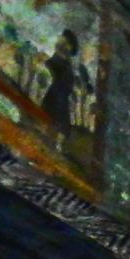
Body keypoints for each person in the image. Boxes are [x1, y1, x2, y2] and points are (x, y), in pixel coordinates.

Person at [41, 28, 95, 164]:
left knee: (60, 127)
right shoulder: (56, 62)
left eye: (64, 42)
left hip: (61, 99)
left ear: (69, 47)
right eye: (61, 41)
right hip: (55, 97)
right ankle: (49, 148)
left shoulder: (68, 64)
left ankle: (53, 149)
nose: (59, 43)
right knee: (53, 124)